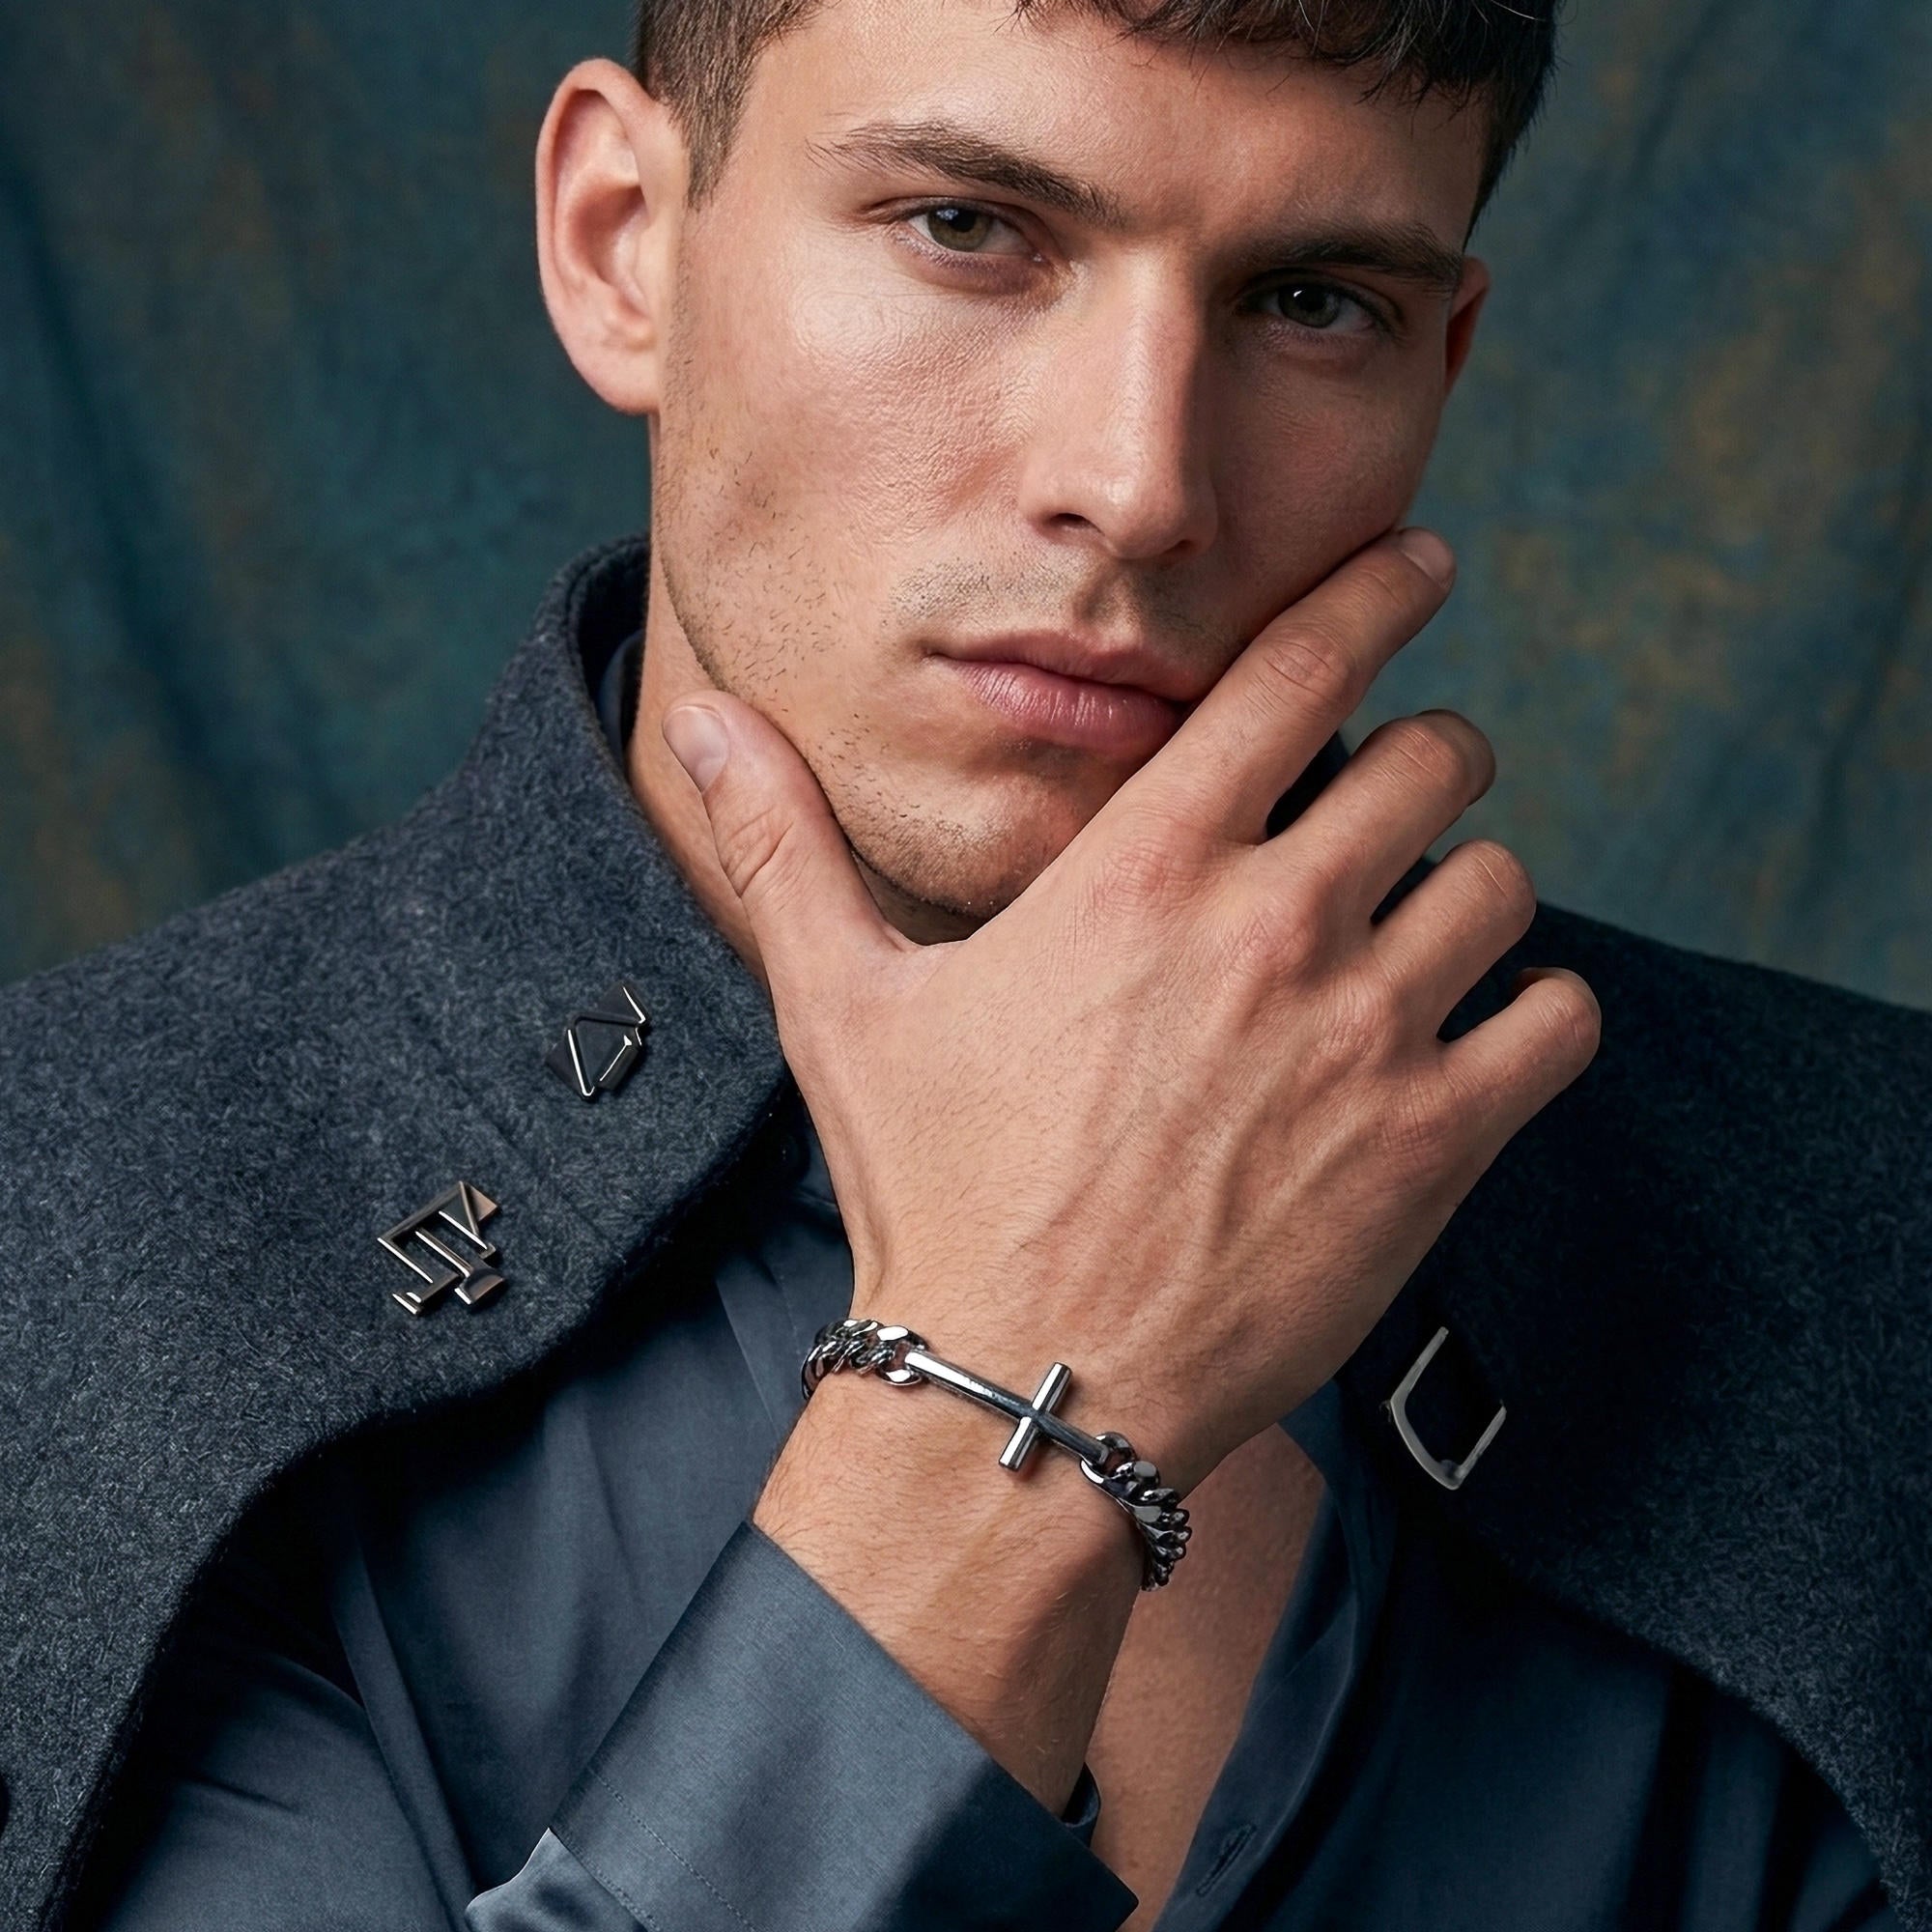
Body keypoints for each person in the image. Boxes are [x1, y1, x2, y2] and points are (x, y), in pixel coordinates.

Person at [1, 1, 1926, 1927]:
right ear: (620, 242)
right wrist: (1011, 1399)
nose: (1140, 482)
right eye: (968, 228)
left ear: (1443, 362)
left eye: (1313, 301)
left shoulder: (1874, 1218)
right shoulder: (59, 1225)